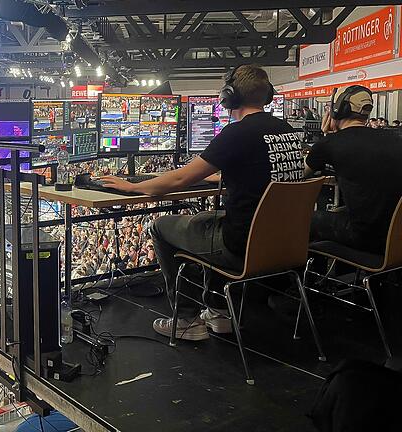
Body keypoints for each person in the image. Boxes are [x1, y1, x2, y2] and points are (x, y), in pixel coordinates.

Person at [101, 64, 305, 340]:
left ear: (229, 97)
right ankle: (219, 311)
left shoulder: (238, 133)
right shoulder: (288, 130)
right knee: (210, 220)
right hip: (283, 245)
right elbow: (263, 170)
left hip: (241, 247)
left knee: (161, 226)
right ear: (267, 95)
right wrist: (221, 176)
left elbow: (176, 181)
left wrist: (132, 186)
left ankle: (186, 319)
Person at [305, 85, 402, 254]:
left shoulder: (330, 144)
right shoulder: (394, 138)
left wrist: (327, 138)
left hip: (365, 237)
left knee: (307, 218)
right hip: (396, 237)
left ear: (337, 110)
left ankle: (311, 277)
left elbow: (299, 175)